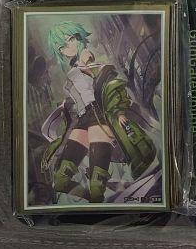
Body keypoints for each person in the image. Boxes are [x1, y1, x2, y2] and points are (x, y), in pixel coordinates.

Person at [41, 21, 157, 204]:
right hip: (82, 118)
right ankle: (93, 200)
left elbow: (112, 87)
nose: (67, 48)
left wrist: (118, 112)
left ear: (79, 37)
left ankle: (97, 199)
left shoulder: (95, 63)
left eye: (70, 40)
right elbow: (77, 98)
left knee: (96, 184)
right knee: (60, 180)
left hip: (99, 115)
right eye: (61, 47)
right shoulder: (72, 71)